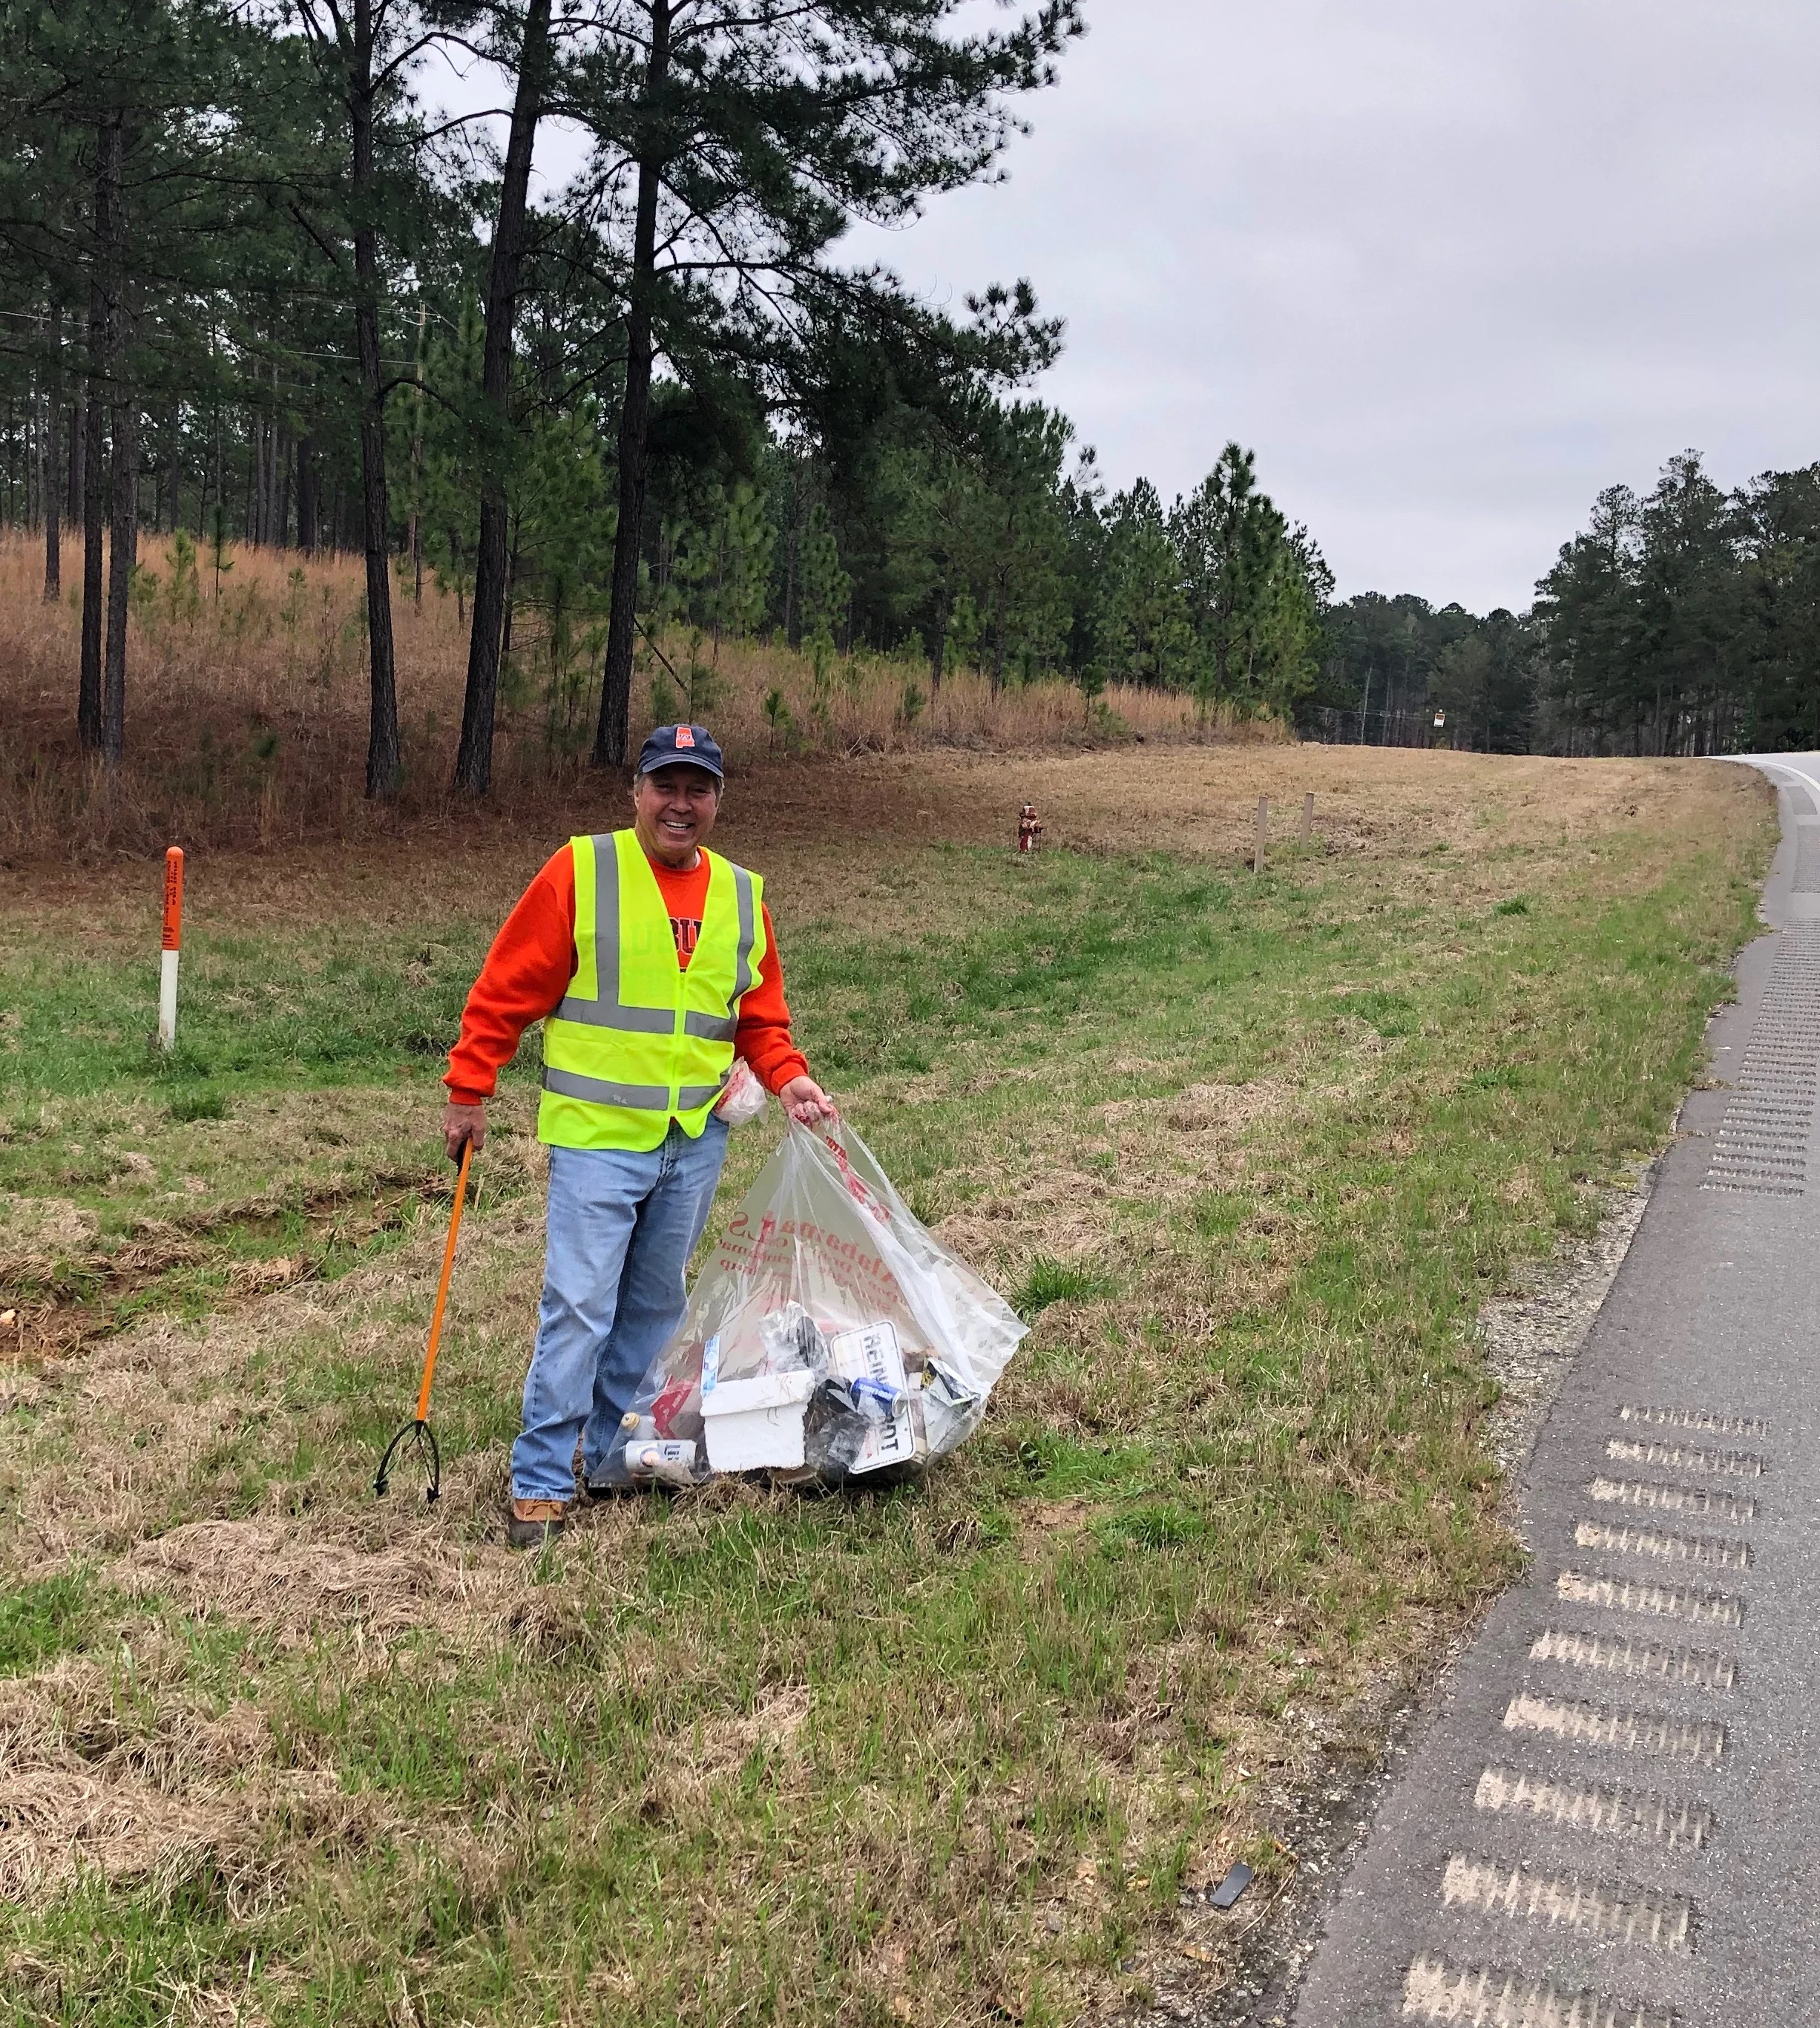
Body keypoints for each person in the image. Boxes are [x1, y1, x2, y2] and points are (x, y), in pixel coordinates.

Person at [441, 725, 833, 1547]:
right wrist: (469, 1085)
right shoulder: (582, 871)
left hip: (693, 1138)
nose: (680, 805)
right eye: (666, 786)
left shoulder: (740, 894)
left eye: (697, 790)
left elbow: (756, 1016)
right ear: (637, 792)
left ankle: (616, 1454)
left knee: (656, 1305)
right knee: (579, 1307)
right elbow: (506, 987)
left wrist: (787, 1073)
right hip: (596, 1136)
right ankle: (541, 1481)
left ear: (717, 801)